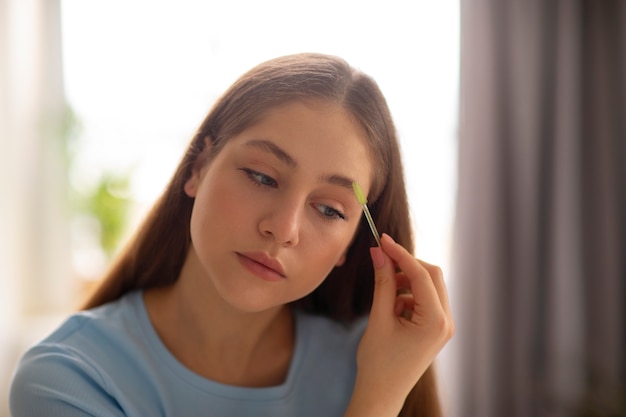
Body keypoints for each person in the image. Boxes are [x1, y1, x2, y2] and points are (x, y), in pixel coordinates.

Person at [10, 53, 454, 417]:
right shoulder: (70, 378)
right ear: (198, 169)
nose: (282, 229)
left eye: (328, 209)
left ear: (353, 244)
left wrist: (380, 391)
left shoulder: (375, 364)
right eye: (262, 177)